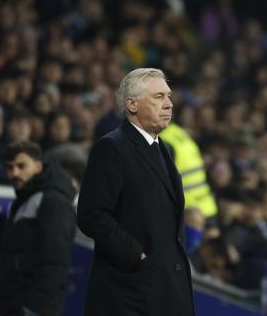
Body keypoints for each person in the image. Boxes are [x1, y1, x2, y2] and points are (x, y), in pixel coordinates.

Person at [77, 68, 194, 316]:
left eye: (169, 96)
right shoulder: (112, 147)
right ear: (132, 104)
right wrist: (135, 254)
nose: (169, 104)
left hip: (165, 289)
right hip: (130, 292)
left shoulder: (166, 150)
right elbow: (92, 214)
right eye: (158, 97)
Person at [0, 141, 76, 316]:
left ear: (39, 166)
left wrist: (38, 307)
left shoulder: (53, 201)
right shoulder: (23, 200)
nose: (14, 173)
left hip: (33, 305)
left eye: (21, 165)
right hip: (15, 303)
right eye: (10, 168)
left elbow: (55, 260)